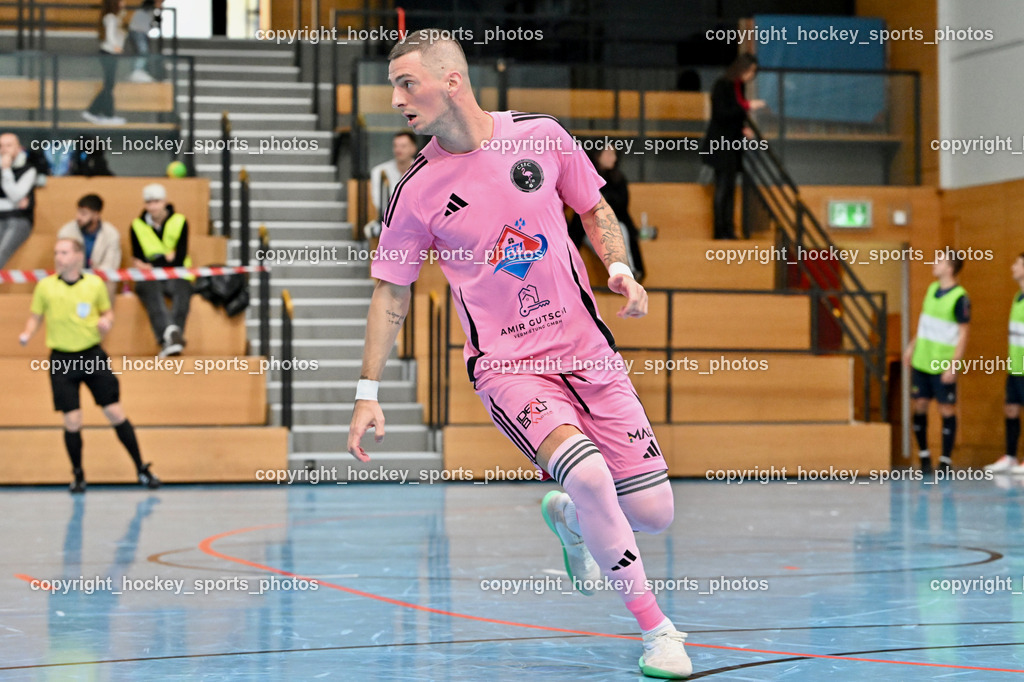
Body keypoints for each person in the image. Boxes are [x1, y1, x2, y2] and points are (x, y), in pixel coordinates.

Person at [347, 30, 691, 679]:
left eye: (406, 83)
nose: (396, 99)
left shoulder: (542, 136)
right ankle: (659, 632)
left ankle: (569, 517)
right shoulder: (415, 190)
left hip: (589, 352)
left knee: (653, 513)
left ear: (452, 81)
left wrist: (618, 267)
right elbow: (391, 294)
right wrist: (367, 393)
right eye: (393, 85)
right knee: (590, 475)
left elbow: (594, 208)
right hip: (508, 366)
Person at [18, 238, 160, 493]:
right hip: (62, 359)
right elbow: (35, 317)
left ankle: (141, 468)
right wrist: (27, 334)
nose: (58, 257)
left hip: (92, 355)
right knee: (72, 420)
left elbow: (107, 312)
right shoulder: (45, 286)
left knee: (115, 412)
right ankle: (78, 474)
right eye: (56, 252)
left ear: (77, 256)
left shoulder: (94, 284)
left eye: (63, 252)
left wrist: (107, 321)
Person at [903, 250, 970, 475]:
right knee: (919, 405)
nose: (935, 263)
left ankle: (945, 460)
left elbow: (963, 334)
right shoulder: (932, 289)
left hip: (942, 363)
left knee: (945, 408)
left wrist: (953, 365)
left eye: (939, 260)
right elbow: (924, 323)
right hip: (922, 359)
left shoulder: (960, 297)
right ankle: (923, 455)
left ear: (949, 268)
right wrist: (912, 346)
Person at [699, 53, 765, 240]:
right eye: (750, 71)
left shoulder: (738, 86)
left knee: (729, 189)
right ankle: (719, 231)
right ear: (742, 68)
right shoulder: (723, 85)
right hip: (720, 144)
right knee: (722, 188)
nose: (751, 76)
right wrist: (748, 106)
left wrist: (743, 128)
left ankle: (728, 228)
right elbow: (721, 114)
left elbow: (735, 115)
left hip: (732, 144)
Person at [130, 183, 192, 357]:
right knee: (150, 290)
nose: (153, 206)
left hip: (178, 273)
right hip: (150, 277)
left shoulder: (180, 221)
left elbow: (179, 258)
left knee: (182, 291)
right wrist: (166, 259)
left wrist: (154, 262)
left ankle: (171, 340)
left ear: (165, 202)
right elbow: (138, 258)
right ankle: (170, 337)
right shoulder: (137, 225)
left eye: (157, 201)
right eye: (149, 202)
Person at [568, 145, 645, 282]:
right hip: (589, 229)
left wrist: (606, 199)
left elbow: (622, 206)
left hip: (613, 226)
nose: (613, 158)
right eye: (609, 154)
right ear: (598, 156)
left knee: (619, 230)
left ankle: (628, 272)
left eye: (614, 155)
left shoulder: (618, 178)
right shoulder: (586, 177)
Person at [986, 253, 1024, 473]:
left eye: (1017, 264)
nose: (1012, 267)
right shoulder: (1017, 297)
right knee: (1010, 409)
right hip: (1016, 365)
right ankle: (1010, 456)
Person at [57, 194, 122, 300]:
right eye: (78, 212)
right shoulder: (66, 232)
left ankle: (105, 315)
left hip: (99, 278)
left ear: (96, 215)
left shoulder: (111, 234)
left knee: (110, 282)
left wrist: (93, 276)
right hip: (73, 276)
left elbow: (111, 265)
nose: (78, 217)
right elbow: (62, 262)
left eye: (83, 214)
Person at [364, 131, 419, 239]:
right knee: (372, 230)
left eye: (403, 146)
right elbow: (379, 202)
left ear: (413, 149)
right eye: (395, 146)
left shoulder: (424, 171)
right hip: (388, 220)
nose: (398, 150)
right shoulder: (380, 172)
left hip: (416, 221)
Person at [83, 0, 127, 126]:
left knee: (109, 85)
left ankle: (95, 111)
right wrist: (116, 47)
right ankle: (104, 114)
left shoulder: (114, 17)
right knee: (109, 85)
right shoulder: (110, 18)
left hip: (111, 53)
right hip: (109, 53)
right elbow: (110, 35)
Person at [0, 132, 37, 267]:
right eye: (1, 146)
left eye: (9, 145)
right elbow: (17, 200)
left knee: (2, 252)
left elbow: (16, 195)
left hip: (19, 219)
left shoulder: (28, 169)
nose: (4, 150)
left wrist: (6, 170)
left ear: (18, 148)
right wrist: (14, 204)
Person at [127, 0, 162, 83]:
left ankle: (140, 71)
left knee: (143, 51)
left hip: (142, 32)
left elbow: (157, 22)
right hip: (137, 31)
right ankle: (137, 71)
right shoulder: (146, 9)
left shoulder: (152, 11)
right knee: (143, 51)